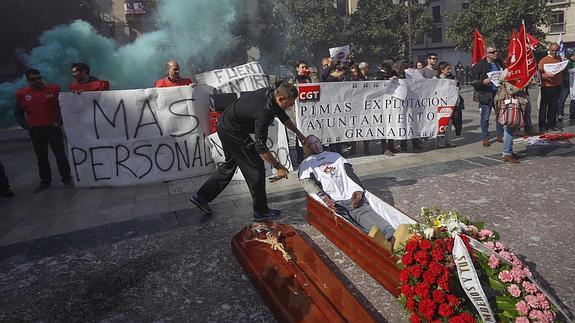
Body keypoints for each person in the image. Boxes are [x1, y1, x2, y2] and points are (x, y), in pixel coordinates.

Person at [190, 83, 307, 222]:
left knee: (229, 165)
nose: (292, 106)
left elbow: (284, 117)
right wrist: (278, 166)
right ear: (281, 98)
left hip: (227, 124)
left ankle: (201, 197)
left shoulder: (272, 93)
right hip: (232, 130)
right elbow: (261, 148)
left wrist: (299, 134)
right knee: (255, 166)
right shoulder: (264, 111)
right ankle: (261, 211)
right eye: (290, 103)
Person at [298, 135, 394, 239]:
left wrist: (358, 191)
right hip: (334, 203)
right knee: (355, 232)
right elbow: (308, 183)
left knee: (382, 227)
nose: (315, 145)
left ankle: (393, 238)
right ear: (306, 148)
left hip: (352, 198)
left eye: (316, 142)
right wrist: (325, 199)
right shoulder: (306, 164)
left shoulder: (335, 156)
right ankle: (374, 244)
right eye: (311, 144)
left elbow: (351, 175)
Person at [14, 69, 74, 192]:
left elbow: (62, 107)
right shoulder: (22, 94)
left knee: (60, 155)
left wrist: (59, 122)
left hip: (53, 128)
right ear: (28, 81)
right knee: (41, 157)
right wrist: (27, 126)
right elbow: (18, 113)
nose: (37, 81)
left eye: (39, 78)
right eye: (33, 79)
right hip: (36, 130)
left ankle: (67, 179)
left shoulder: (53, 89)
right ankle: (45, 182)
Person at [471, 45, 504, 147]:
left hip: (499, 93)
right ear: (487, 54)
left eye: (496, 51)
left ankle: (499, 135)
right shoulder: (480, 65)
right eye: (493, 52)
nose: (496, 53)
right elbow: (473, 81)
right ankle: (485, 137)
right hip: (485, 94)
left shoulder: (499, 63)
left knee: (500, 115)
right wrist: (483, 81)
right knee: (485, 117)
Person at [538, 43, 563, 132]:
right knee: (544, 107)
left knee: (554, 107)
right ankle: (542, 126)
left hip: (557, 86)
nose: (554, 52)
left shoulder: (559, 58)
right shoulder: (544, 60)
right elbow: (539, 74)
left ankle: (552, 125)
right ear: (549, 49)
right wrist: (546, 75)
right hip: (547, 86)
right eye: (553, 50)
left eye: (556, 50)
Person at [437, 61, 456, 148]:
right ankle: (440, 141)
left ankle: (448, 140)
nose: (449, 70)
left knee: (449, 122)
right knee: (441, 123)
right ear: (442, 70)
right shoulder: (436, 79)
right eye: (447, 69)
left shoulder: (451, 78)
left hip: (449, 104)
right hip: (440, 104)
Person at [558, 49, 575, 120]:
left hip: (572, 84)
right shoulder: (567, 63)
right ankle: (560, 114)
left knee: (573, 100)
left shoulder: (571, 62)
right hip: (566, 84)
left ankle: (572, 114)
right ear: (570, 56)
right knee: (562, 100)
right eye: (574, 55)